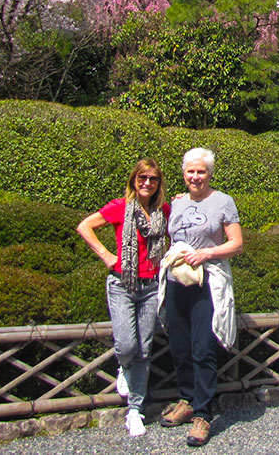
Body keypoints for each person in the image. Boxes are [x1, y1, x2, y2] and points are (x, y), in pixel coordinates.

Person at [76, 159, 170, 437]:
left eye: (153, 179)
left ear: (158, 183)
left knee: (144, 347)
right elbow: (85, 226)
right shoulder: (119, 207)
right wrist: (106, 255)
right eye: (142, 177)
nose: (147, 183)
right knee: (129, 346)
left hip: (151, 285)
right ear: (134, 180)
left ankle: (135, 410)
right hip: (122, 284)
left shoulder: (163, 211)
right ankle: (124, 367)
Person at [156, 147, 243, 447]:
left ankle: (203, 414)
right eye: (190, 171)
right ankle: (186, 400)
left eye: (201, 171)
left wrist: (206, 252)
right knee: (179, 346)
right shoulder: (177, 204)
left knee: (203, 348)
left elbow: (237, 244)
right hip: (177, 280)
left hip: (208, 282)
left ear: (210, 173)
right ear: (183, 174)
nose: (195, 177)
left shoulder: (223, 202)